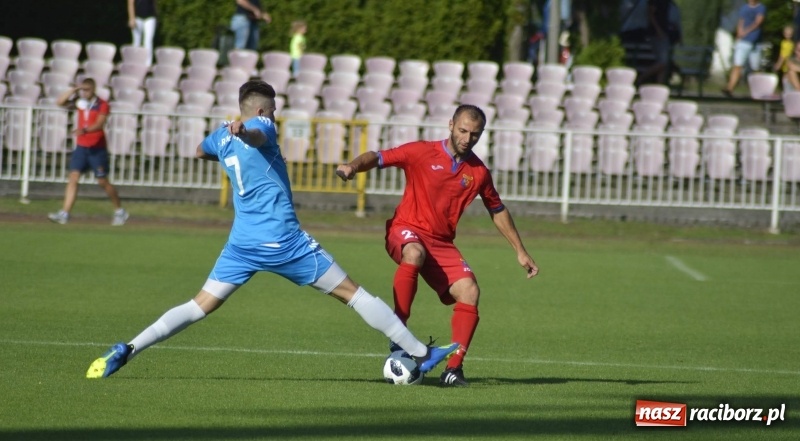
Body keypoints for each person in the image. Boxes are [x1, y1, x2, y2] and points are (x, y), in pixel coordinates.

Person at [85, 80, 458, 380]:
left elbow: (201, 150)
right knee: (353, 294)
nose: (275, 117)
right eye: (275, 110)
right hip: (285, 243)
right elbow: (257, 135)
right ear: (263, 110)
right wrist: (245, 131)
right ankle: (421, 354)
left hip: (242, 245)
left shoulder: (223, 135)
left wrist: (227, 137)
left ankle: (127, 349)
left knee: (199, 306)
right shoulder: (261, 125)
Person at [335, 104, 539, 387]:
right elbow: (378, 157)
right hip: (406, 228)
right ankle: (399, 332)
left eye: (475, 134)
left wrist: (520, 250)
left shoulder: (478, 172)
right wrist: (352, 167)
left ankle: (454, 368)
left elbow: (497, 208)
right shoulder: (422, 151)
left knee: (469, 290)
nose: (467, 138)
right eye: (463, 130)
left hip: (441, 243)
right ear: (450, 124)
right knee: (414, 252)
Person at [48, 78, 128, 226]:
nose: (84, 93)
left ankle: (119, 210)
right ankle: (65, 213)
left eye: (87, 90)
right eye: (82, 90)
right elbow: (60, 102)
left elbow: (99, 124)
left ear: (93, 89)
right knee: (73, 178)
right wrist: (73, 90)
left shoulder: (102, 105)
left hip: (96, 148)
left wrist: (83, 130)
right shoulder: (80, 103)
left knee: (102, 181)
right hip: (81, 147)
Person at [721, 0, 766, 97]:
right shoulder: (744, 7)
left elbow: (758, 22)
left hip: (755, 41)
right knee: (737, 65)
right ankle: (730, 87)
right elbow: (741, 20)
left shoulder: (761, 8)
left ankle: (759, 90)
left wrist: (746, 31)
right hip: (744, 42)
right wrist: (739, 32)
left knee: (756, 68)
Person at [637, 0, 672, 86]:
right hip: (657, 34)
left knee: (664, 63)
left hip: (664, 32)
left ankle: (659, 86)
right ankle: (641, 78)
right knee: (662, 62)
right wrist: (658, 29)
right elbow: (650, 14)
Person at [127, 0, 157, 66]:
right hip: (137, 17)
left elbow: (154, 3)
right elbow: (130, 3)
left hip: (150, 17)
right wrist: (131, 18)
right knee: (136, 41)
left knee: (148, 41)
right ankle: (134, 62)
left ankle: (148, 65)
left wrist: (156, 15)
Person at [774, 25, 795, 90]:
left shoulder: (788, 44)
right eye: (786, 34)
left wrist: (778, 64)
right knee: (786, 77)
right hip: (786, 63)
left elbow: (783, 56)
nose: (788, 36)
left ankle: (788, 91)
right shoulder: (785, 42)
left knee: (786, 77)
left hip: (787, 63)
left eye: (790, 34)